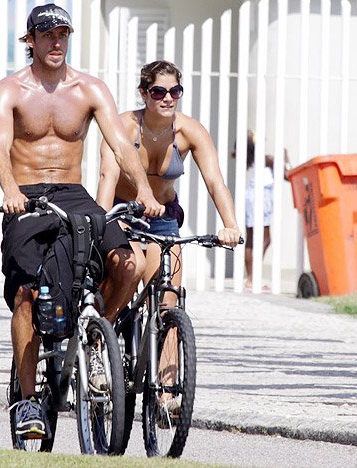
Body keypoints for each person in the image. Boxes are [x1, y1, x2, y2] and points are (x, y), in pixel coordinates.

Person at [0, 4, 164, 439]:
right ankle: (28, 403)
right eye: (47, 35)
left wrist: (142, 189)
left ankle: (96, 336)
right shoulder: (9, 90)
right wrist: (10, 191)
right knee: (27, 295)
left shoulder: (89, 88)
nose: (56, 42)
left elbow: (121, 145)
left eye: (63, 34)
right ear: (30, 40)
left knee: (128, 264)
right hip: (26, 195)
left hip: (74, 193)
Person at [97, 60, 242, 412]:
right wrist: (101, 225)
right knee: (130, 274)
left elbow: (214, 181)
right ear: (145, 93)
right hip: (125, 214)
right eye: (159, 92)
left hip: (164, 221)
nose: (167, 98)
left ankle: (165, 390)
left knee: (169, 299)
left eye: (174, 91)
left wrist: (231, 225)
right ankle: (100, 346)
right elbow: (106, 178)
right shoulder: (125, 128)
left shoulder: (189, 131)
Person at [231, 130, 291, 292]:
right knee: (264, 239)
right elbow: (287, 175)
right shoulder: (267, 160)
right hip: (261, 198)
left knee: (252, 238)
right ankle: (252, 278)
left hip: (253, 197)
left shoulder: (247, 159)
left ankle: (251, 278)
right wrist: (286, 159)